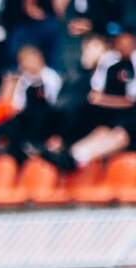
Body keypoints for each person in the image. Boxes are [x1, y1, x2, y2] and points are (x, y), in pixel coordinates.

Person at [44, 29, 136, 172]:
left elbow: (130, 101)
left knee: (121, 133)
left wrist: (103, 100)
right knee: (102, 130)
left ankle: (75, 157)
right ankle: (69, 155)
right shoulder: (109, 65)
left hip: (129, 125)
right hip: (116, 120)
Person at [0, 44, 63, 162]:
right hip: (25, 116)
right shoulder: (23, 79)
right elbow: (15, 104)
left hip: (45, 118)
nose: (22, 65)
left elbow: (53, 103)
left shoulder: (51, 77)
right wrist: (8, 85)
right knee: (9, 126)